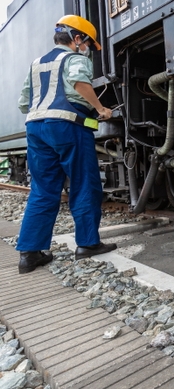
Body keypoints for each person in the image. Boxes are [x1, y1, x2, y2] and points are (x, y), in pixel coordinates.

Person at [16, 15, 117, 274]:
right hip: (68, 126)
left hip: (36, 128)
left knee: (42, 188)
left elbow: (23, 103)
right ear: (77, 37)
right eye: (85, 43)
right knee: (84, 183)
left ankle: (29, 254)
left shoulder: (36, 63)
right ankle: (87, 244)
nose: (85, 48)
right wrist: (100, 109)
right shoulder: (75, 59)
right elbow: (80, 84)